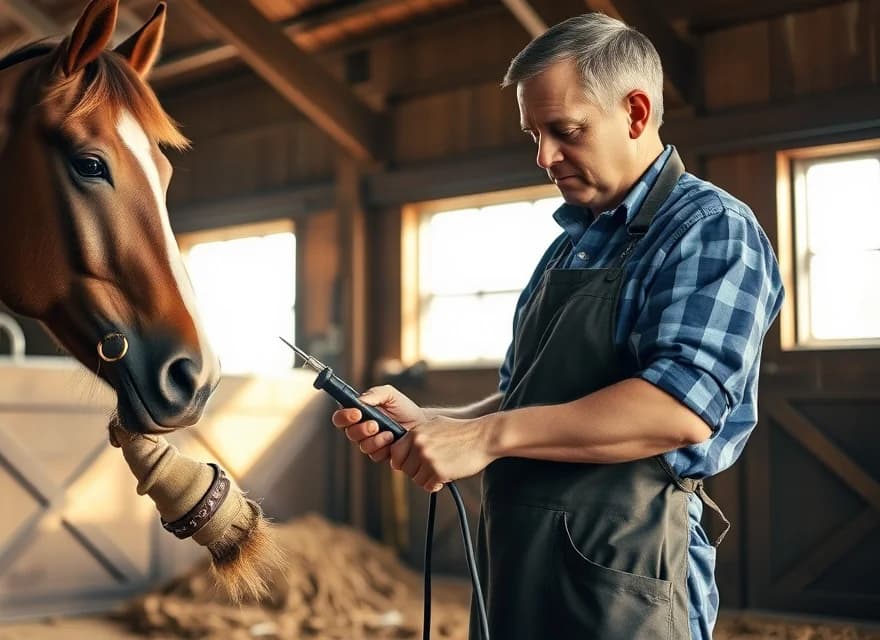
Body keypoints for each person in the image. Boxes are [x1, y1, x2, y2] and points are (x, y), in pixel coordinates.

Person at [332, 12, 783, 640]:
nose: (544, 156)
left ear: (635, 112)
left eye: (564, 130)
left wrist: (485, 438)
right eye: (533, 134)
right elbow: (531, 396)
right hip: (519, 563)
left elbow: (678, 409)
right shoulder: (571, 246)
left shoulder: (710, 229)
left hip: (623, 570)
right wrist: (445, 425)